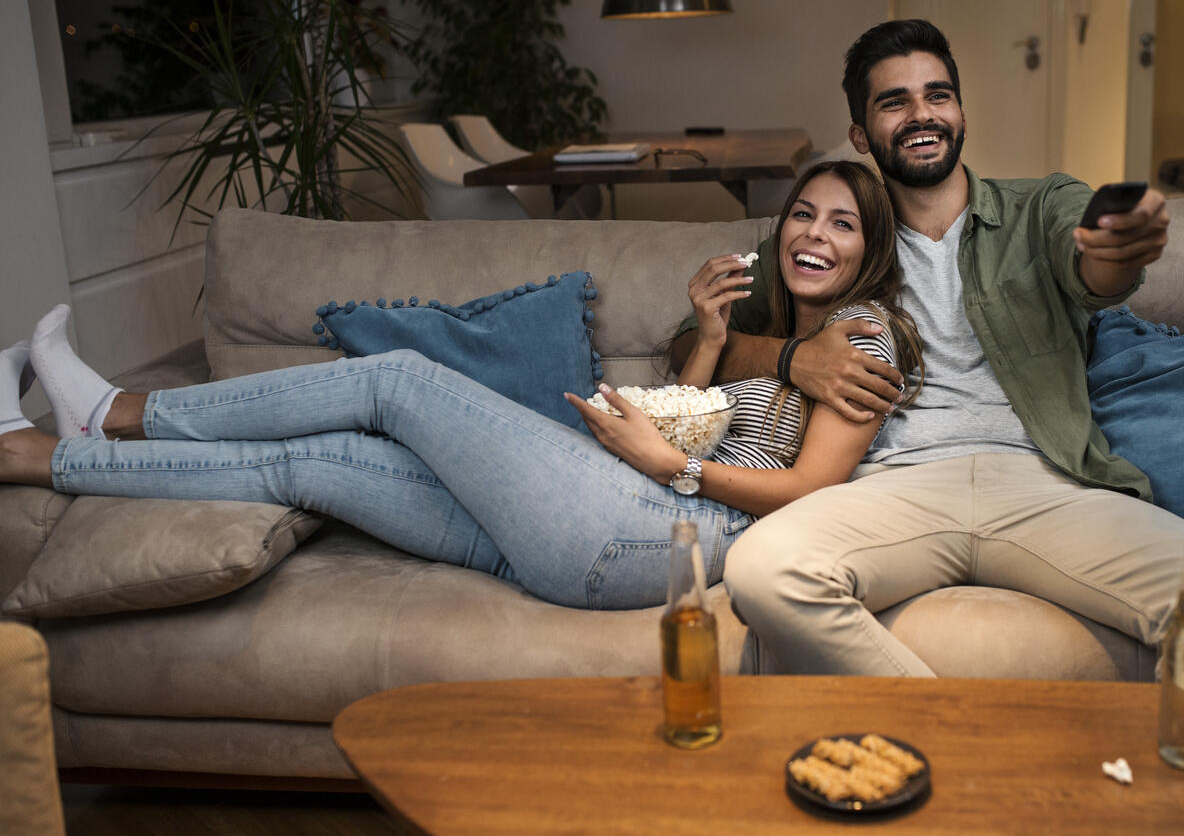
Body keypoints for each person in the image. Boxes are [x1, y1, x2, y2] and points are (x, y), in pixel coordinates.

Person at [0, 161, 921, 612]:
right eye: (804, 212)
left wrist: (671, 471)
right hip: (587, 518)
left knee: (397, 382)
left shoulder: (862, 334)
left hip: (667, 535)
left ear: (869, 248)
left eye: (842, 224)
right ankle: (43, 456)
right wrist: (712, 339)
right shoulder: (774, 326)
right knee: (320, 465)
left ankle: (117, 409)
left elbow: (806, 494)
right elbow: (685, 420)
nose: (814, 233)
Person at [669, 19, 1184, 687]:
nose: (922, 113)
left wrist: (1115, 249)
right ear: (862, 135)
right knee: (763, 570)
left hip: (1040, 483)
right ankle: (944, 734)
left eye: (938, 94)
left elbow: (1093, 267)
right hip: (890, 487)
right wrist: (794, 358)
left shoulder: (1039, 206)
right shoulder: (836, 231)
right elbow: (691, 342)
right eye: (894, 101)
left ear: (960, 112)